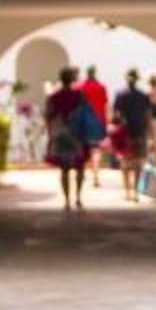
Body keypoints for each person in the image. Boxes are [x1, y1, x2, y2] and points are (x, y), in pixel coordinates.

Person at [42, 66, 104, 211]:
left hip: (61, 134)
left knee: (64, 169)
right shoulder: (79, 95)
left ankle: (66, 200)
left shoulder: (54, 97)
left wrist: (51, 133)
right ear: (72, 79)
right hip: (78, 135)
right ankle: (78, 197)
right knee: (79, 167)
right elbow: (88, 113)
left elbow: (48, 116)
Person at [110, 69, 156, 200]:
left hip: (125, 133)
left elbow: (115, 115)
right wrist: (151, 135)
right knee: (138, 164)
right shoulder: (144, 96)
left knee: (125, 163)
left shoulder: (120, 95)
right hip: (140, 132)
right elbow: (148, 116)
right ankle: (135, 192)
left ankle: (127, 192)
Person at [77, 65, 111, 192]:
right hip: (98, 121)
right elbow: (106, 105)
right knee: (96, 149)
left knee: (84, 149)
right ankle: (95, 176)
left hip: (83, 122)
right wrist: (107, 122)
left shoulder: (80, 87)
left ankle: (84, 172)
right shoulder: (101, 87)